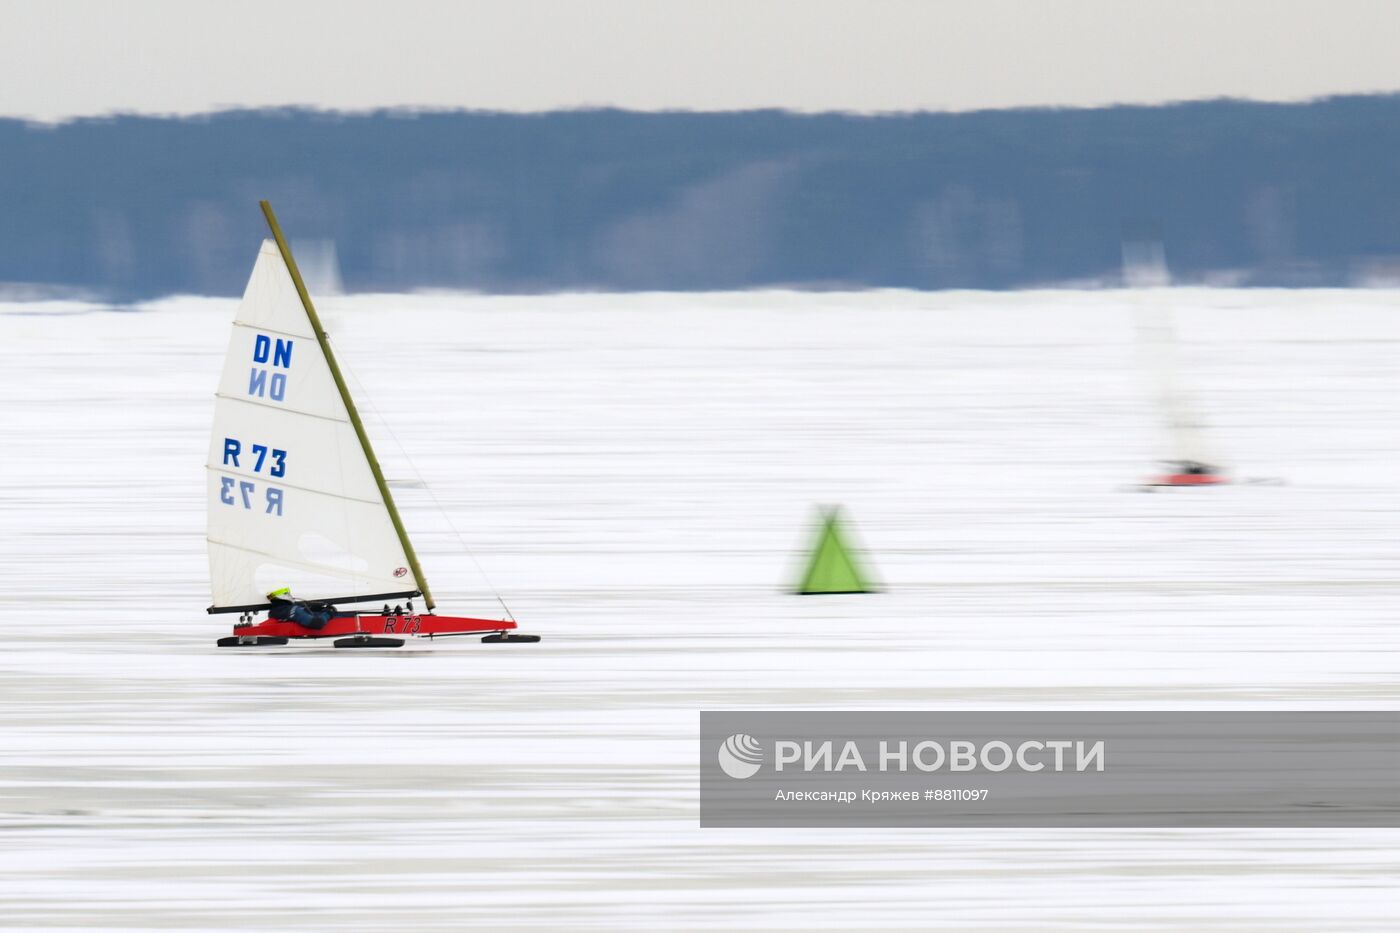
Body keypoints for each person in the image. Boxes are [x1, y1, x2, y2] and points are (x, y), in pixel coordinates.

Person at [266, 587, 332, 630]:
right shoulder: (294, 610)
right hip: (317, 621)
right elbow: (317, 623)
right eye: (287, 594)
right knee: (332, 612)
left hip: (305, 617)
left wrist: (310, 609)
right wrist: (328, 613)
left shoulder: (273, 612)